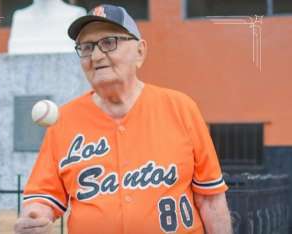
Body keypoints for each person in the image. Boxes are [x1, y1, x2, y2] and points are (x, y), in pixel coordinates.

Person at [14, 4, 232, 234]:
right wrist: (34, 217)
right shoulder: (65, 120)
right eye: (87, 47)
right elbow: (42, 197)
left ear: (140, 51)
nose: (96, 56)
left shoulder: (181, 108)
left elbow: (210, 201)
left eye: (109, 42)